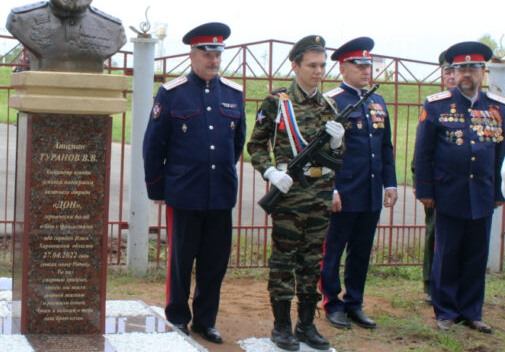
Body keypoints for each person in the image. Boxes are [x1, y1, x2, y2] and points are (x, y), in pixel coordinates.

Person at [143, 22, 246, 344]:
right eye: (206, 53)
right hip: (184, 192)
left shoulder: (233, 94)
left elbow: (237, 144)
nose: (213, 60)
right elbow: (154, 145)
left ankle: (205, 320)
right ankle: (177, 317)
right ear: (192, 54)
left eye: (218, 54)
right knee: (181, 260)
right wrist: (158, 189)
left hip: (220, 193)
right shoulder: (172, 93)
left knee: (214, 262)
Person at [246, 35, 344, 351]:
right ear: (295, 65)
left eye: (322, 65)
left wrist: (339, 143)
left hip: (320, 194)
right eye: (312, 65)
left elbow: (338, 158)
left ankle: (306, 324)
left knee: (312, 260)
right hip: (289, 194)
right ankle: (281, 326)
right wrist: (271, 172)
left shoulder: (330, 106)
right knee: (284, 260)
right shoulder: (278, 102)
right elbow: (256, 145)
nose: (319, 71)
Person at [414, 41, 505, 333]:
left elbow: (501, 154)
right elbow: (423, 152)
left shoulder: (497, 107)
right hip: (448, 191)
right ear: (453, 72)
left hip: (482, 192)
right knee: (447, 252)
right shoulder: (437, 104)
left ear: (483, 71)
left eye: (473, 68)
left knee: (476, 254)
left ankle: (471, 311)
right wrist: (426, 191)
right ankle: (446, 311)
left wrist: (499, 191)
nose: (467, 74)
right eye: (461, 68)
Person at [320, 37, 397, 330]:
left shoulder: (377, 101)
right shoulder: (331, 101)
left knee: (362, 250)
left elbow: (385, 146)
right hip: (345, 190)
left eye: (369, 65)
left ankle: (355, 303)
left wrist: (390, 183)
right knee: (333, 249)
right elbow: (323, 151)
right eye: (360, 65)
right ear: (343, 67)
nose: (367, 70)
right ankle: (332, 303)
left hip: (371, 190)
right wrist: (332, 188)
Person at [413, 51, 456, 305]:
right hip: (439, 183)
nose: (451, 76)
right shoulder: (435, 104)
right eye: (447, 72)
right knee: (435, 233)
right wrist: (423, 184)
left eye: (455, 71)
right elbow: (422, 150)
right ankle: (431, 283)